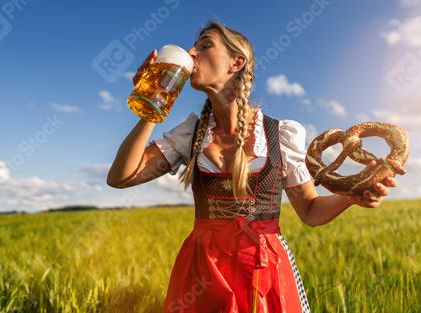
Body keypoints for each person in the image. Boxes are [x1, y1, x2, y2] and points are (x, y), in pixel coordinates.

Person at [107, 20, 400, 313]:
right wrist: (154, 102)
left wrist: (352, 196)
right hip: (203, 271)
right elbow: (120, 177)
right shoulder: (192, 134)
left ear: (237, 62)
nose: (191, 52)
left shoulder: (279, 134)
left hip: (264, 270)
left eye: (205, 45)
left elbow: (310, 211)